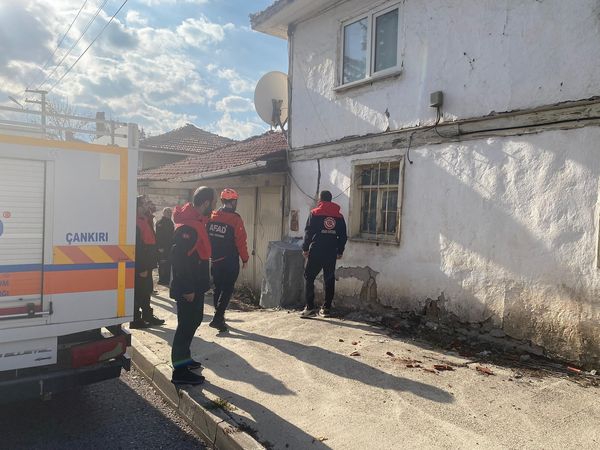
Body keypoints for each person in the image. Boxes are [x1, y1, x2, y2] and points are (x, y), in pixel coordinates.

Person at [170, 186, 215, 385]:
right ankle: (179, 372)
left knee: (193, 321)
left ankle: (185, 359)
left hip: (195, 286)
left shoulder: (196, 221)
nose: (213, 207)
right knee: (185, 326)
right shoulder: (187, 227)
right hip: (188, 288)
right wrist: (188, 289)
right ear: (205, 203)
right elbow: (180, 260)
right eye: (212, 203)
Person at [300, 190, 347, 318]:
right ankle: (326, 309)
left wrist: (305, 248)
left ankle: (309, 308)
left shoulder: (314, 213)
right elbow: (343, 235)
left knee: (309, 277)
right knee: (329, 279)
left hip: (316, 250)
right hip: (331, 251)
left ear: (320, 200)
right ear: (331, 200)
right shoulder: (339, 216)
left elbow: (308, 233)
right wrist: (340, 250)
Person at [207, 188, 249, 332]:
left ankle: (219, 317)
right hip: (230, 259)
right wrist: (245, 259)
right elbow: (241, 241)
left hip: (215, 259)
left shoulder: (212, 216)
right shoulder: (235, 219)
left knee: (218, 288)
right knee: (227, 288)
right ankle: (218, 317)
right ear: (234, 201)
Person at [131, 195, 165, 329]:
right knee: (139, 292)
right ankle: (135, 319)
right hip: (142, 265)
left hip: (147, 263)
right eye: (144, 205)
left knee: (146, 291)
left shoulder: (144, 219)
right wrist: (141, 268)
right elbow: (137, 248)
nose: (147, 207)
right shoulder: (134, 222)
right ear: (138, 207)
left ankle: (147, 315)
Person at [156, 207, 175, 286]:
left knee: (168, 263)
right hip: (162, 247)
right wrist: (160, 247)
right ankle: (162, 280)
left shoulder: (170, 222)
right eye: (167, 212)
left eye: (170, 212)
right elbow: (158, 236)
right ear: (164, 213)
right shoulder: (160, 223)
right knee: (162, 263)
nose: (169, 214)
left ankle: (166, 279)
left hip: (169, 246)